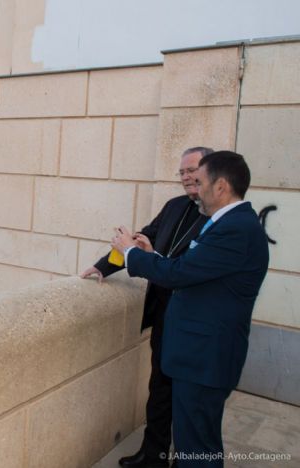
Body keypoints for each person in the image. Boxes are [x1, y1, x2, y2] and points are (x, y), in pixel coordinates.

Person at [112, 151, 269, 467]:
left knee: (196, 448)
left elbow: (179, 275)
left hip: (204, 359)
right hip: (200, 356)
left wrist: (130, 252)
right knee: (196, 441)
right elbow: (193, 272)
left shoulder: (235, 228)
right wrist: (153, 254)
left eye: (200, 180)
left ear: (221, 186)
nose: (193, 187)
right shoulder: (228, 224)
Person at [81, 146, 213, 468]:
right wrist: (104, 267)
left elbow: (186, 271)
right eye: (181, 172)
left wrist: (152, 257)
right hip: (164, 316)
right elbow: (139, 241)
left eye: (192, 170)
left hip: (194, 323)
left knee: (189, 403)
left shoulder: (218, 217)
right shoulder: (174, 206)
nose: (185, 177)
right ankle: (152, 455)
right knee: (159, 391)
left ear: (211, 171)